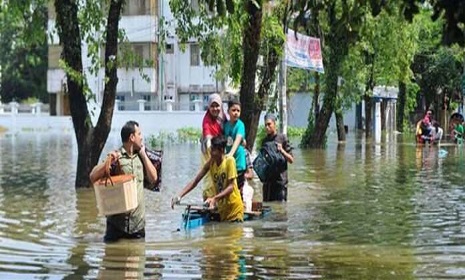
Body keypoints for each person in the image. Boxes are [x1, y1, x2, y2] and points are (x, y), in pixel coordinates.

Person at [90, 120, 158, 242]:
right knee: (113, 259)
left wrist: (143, 154)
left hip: (138, 225)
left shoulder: (143, 157)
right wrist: (108, 162)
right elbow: (92, 176)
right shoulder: (116, 157)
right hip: (116, 226)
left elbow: (154, 179)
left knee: (138, 259)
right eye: (139, 134)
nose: (141, 138)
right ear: (132, 137)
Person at [171, 135, 244, 222]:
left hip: (235, 210)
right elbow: (195, 181)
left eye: (213, 150)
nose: (210, 152)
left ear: (221, 150)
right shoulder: (211, 162)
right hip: (223, 210)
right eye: (211, 149)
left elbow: (231, 187)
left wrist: (214, 198)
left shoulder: (229, 161)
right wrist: (179, 196)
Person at [261, 113, 294, 202]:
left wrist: (282, 151)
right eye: (265, 125)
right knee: (267, 209)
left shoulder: (282, 138)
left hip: (280, 183)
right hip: (268, 184)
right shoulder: (264, 141)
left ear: (274, 124)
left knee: (281, 210)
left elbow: (291, 160)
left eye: (269, 124)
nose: (267, 127)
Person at [201, 93, 226, 200]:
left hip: (220, 150)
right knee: (209, 177)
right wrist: (212, 152)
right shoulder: (206, 120)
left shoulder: (223, 118)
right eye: (212, 106)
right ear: (208, 107)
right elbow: (208, 138)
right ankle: (208, 199)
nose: (215, 108)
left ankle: (219, 199)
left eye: (217, 106)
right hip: (208, 151)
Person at [224, 100, 247, 194]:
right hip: (229, 164)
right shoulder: (226, 125)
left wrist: (230, 154)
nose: (236, 113)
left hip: (239, 163)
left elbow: (238, 139)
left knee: (238, 191)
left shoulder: (240, 125)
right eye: (233, 110)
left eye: (238, 111)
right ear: (228, 111)